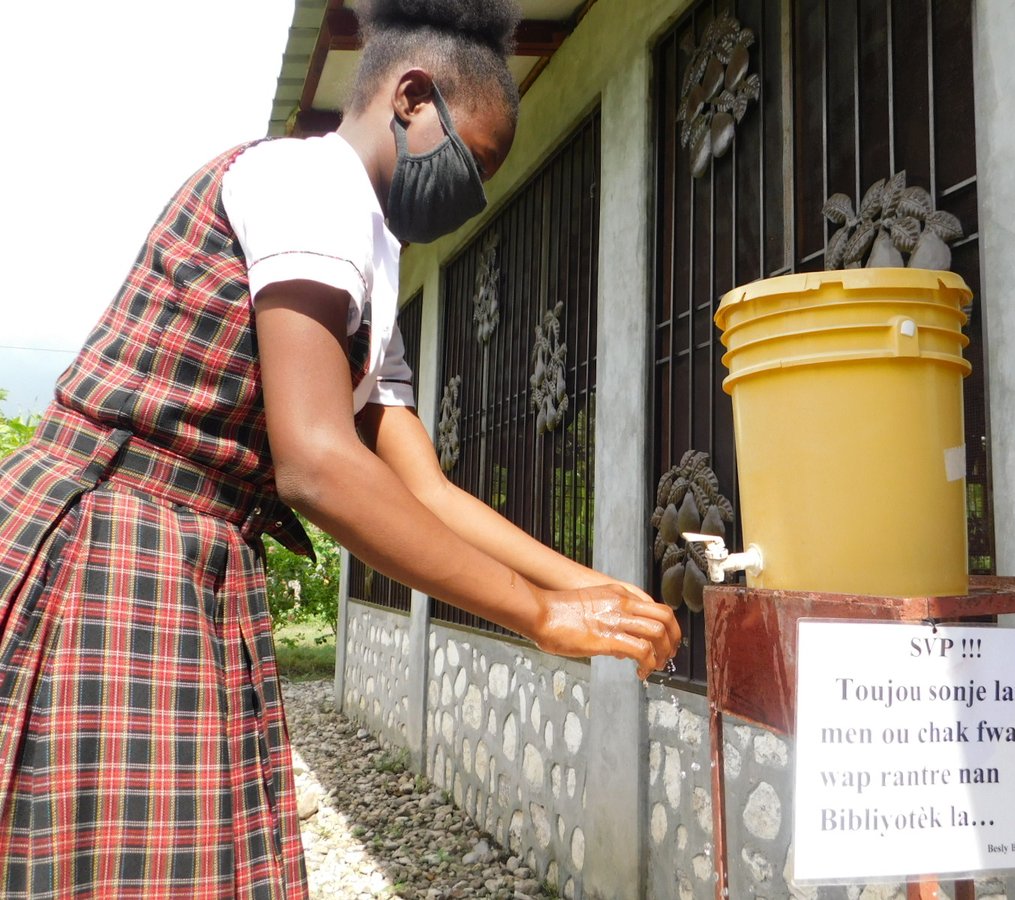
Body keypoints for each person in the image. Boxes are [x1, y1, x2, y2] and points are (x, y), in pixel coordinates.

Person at [0, 0, 682, 895]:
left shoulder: (371, 260)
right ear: (411, 97)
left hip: (196, 556)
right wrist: (537, 616)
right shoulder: (308, 186)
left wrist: (586, 588)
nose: (468, 196)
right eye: (472, 164)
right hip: (115, 546)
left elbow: (426, 492)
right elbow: (319, 465)